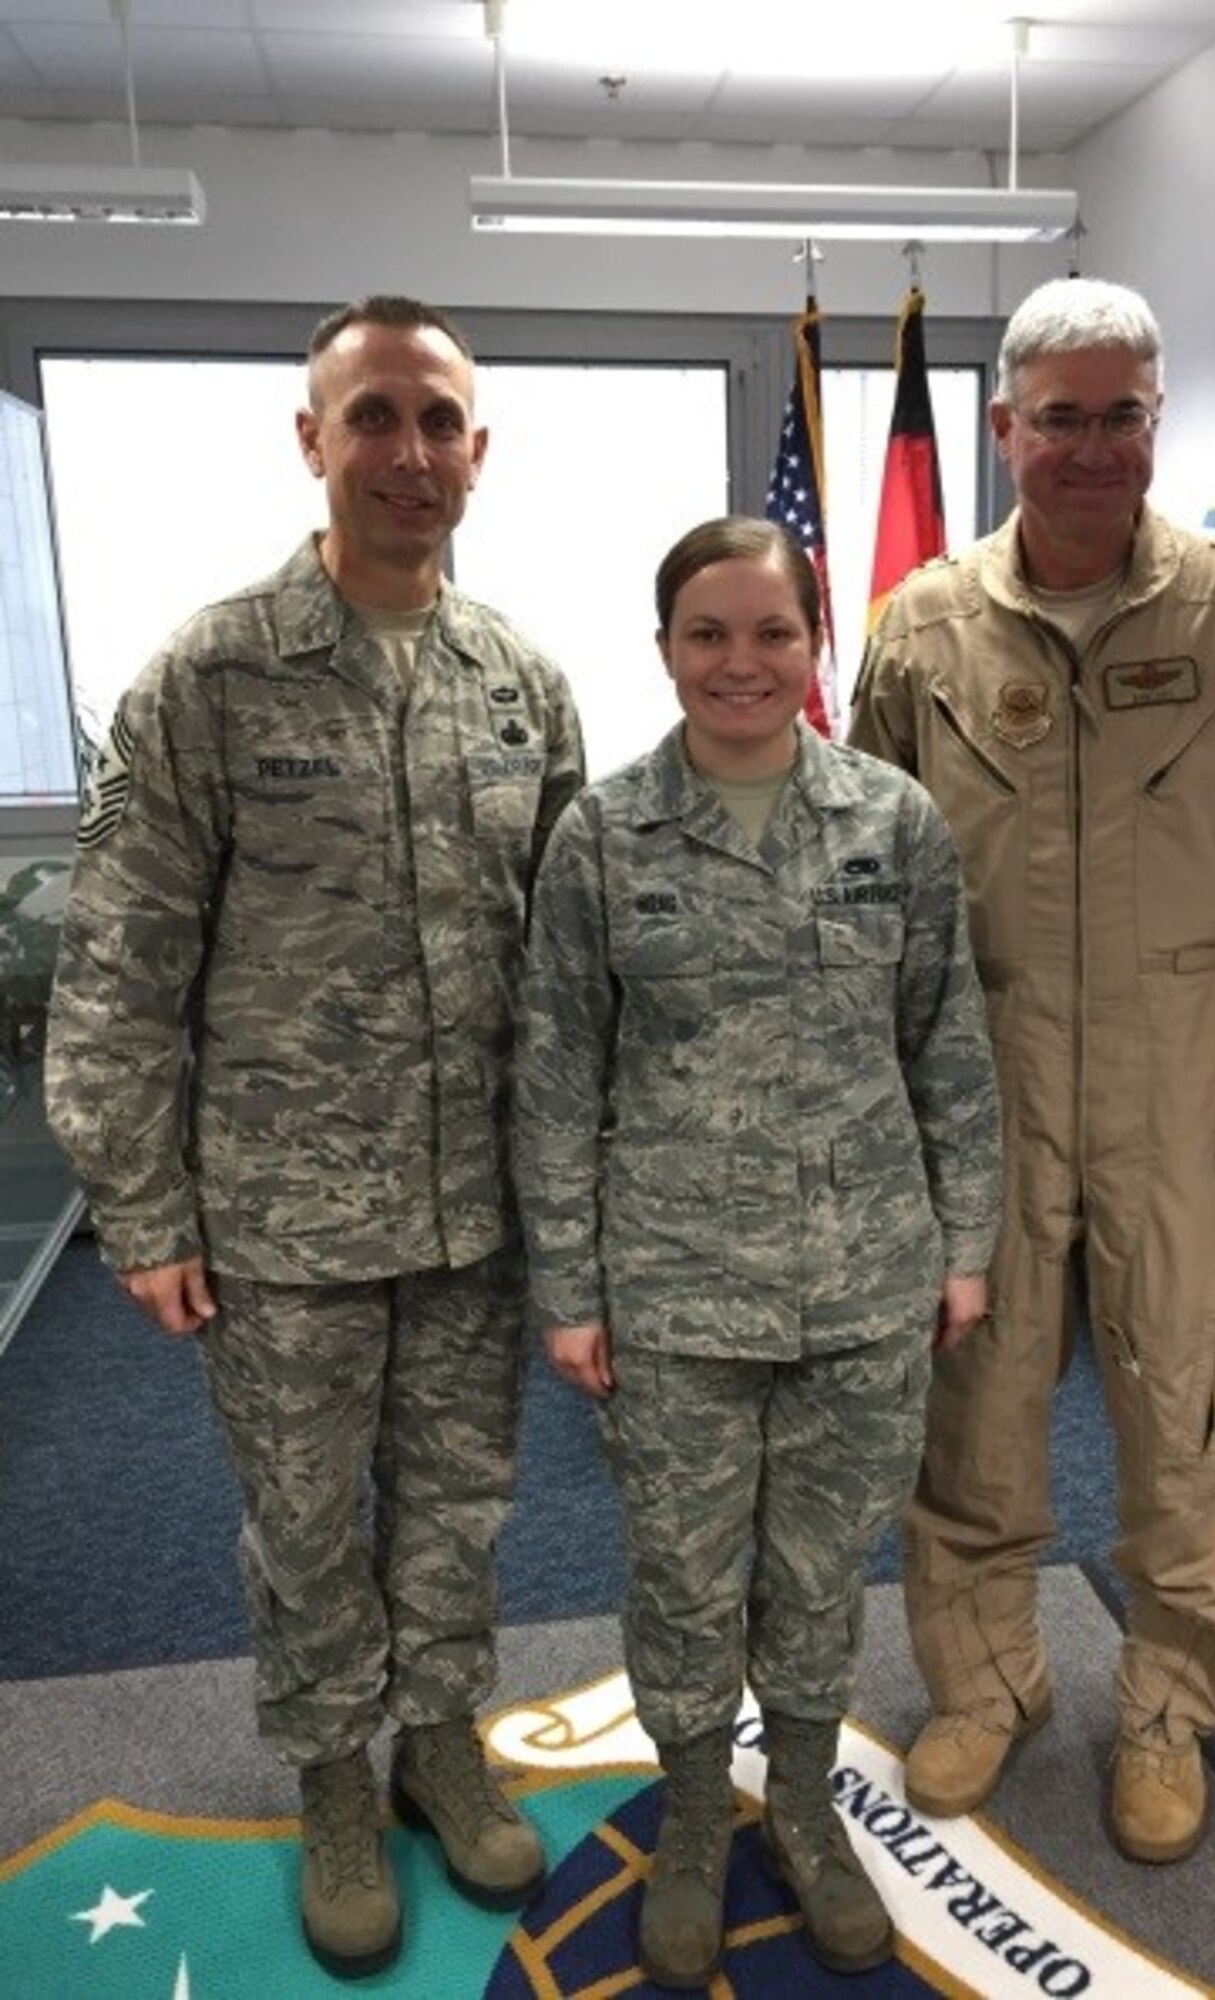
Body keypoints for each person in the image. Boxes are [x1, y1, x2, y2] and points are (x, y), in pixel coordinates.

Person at [45, 295, 585, 1977]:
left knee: (457, 1508)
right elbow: (119, 952)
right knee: (301, 1521)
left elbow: (569, 971)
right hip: (281, 1212)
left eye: (438, 422)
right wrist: (139, 1206)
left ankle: (441, 1742)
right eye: (375, 418)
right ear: (313, 440)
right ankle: (335, 1780)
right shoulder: (201, 679)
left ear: (477, 454)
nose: (408, 453)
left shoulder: (525, 684)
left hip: (476, 1209)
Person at [848, 277, 1215, 1865]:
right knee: (976, 1409)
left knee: (1198, 1420)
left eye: (1119, 414)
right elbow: (861, 865)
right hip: (981, 1081)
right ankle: (988, 1683)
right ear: (1005, 428)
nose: (1089, 447)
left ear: (1157, 422)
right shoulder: (920, 626)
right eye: (1058, 417)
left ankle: (1164, 1711)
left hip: (1187, 1084)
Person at [515, 516, 1001, 1987]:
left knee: (812, 1574)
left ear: (813, 644)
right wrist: (569, 1289)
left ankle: (797, 1802)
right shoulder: (602, 835)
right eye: (709, 635)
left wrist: (964, 1244)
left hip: (864, 1286)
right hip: (670, 1300)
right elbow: (554, 1075)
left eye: (772, 633)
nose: (741, 663)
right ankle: (688, 1823)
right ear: (664, 648)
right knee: (679, 1578)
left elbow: (950, 1048)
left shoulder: (893, 820)